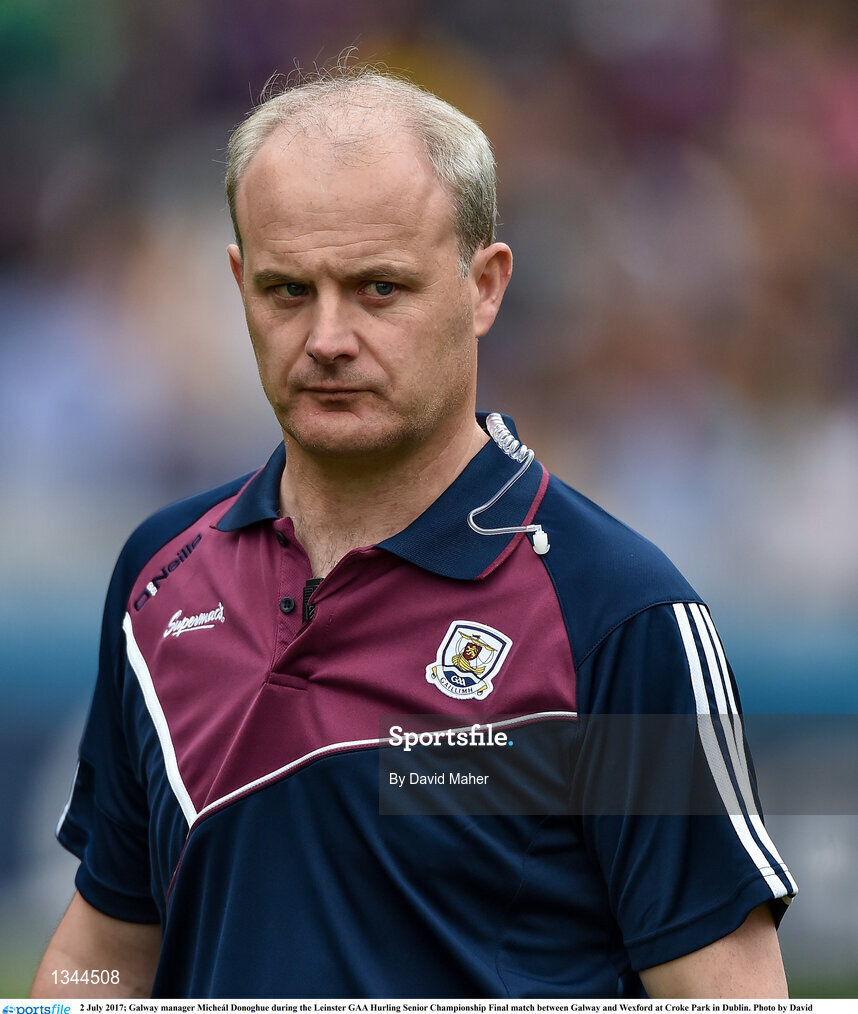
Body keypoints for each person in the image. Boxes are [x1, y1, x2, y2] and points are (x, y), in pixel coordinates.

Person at [32, 69, 796, 1000]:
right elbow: (111, 941)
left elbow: (726, 989)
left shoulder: (620, 616)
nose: (327, 336)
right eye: (286, 290)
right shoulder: (160, 574)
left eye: (379, 288)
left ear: (485, 287)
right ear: (238, 283)